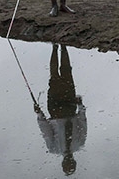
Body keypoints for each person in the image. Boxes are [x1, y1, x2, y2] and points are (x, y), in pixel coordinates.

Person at [35, 43, 87, 175]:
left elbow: (46, 131)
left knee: (54, 76)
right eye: (70, 163)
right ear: (74, 161)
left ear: (63, 162)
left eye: (67, 163)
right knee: (67, 72)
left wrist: (39, 114)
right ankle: (63, 47)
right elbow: (83, 124)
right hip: (70, 107)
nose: (68, 161)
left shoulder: (54, 148)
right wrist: (80, 106)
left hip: (55, 111)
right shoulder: (80, 143)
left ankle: (54, 47)